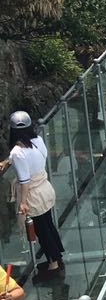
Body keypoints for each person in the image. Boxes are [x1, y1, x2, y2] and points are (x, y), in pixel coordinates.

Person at [4, 111, 65, 281]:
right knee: (48, 225)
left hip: (32, 195)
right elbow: (35, 157)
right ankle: (57, 257)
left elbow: (24, 181)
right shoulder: (36, 140)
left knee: (42, 231)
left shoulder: (17, 152)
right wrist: (8, 161)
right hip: (45, 188)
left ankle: (53, 265)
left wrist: (23, 203)